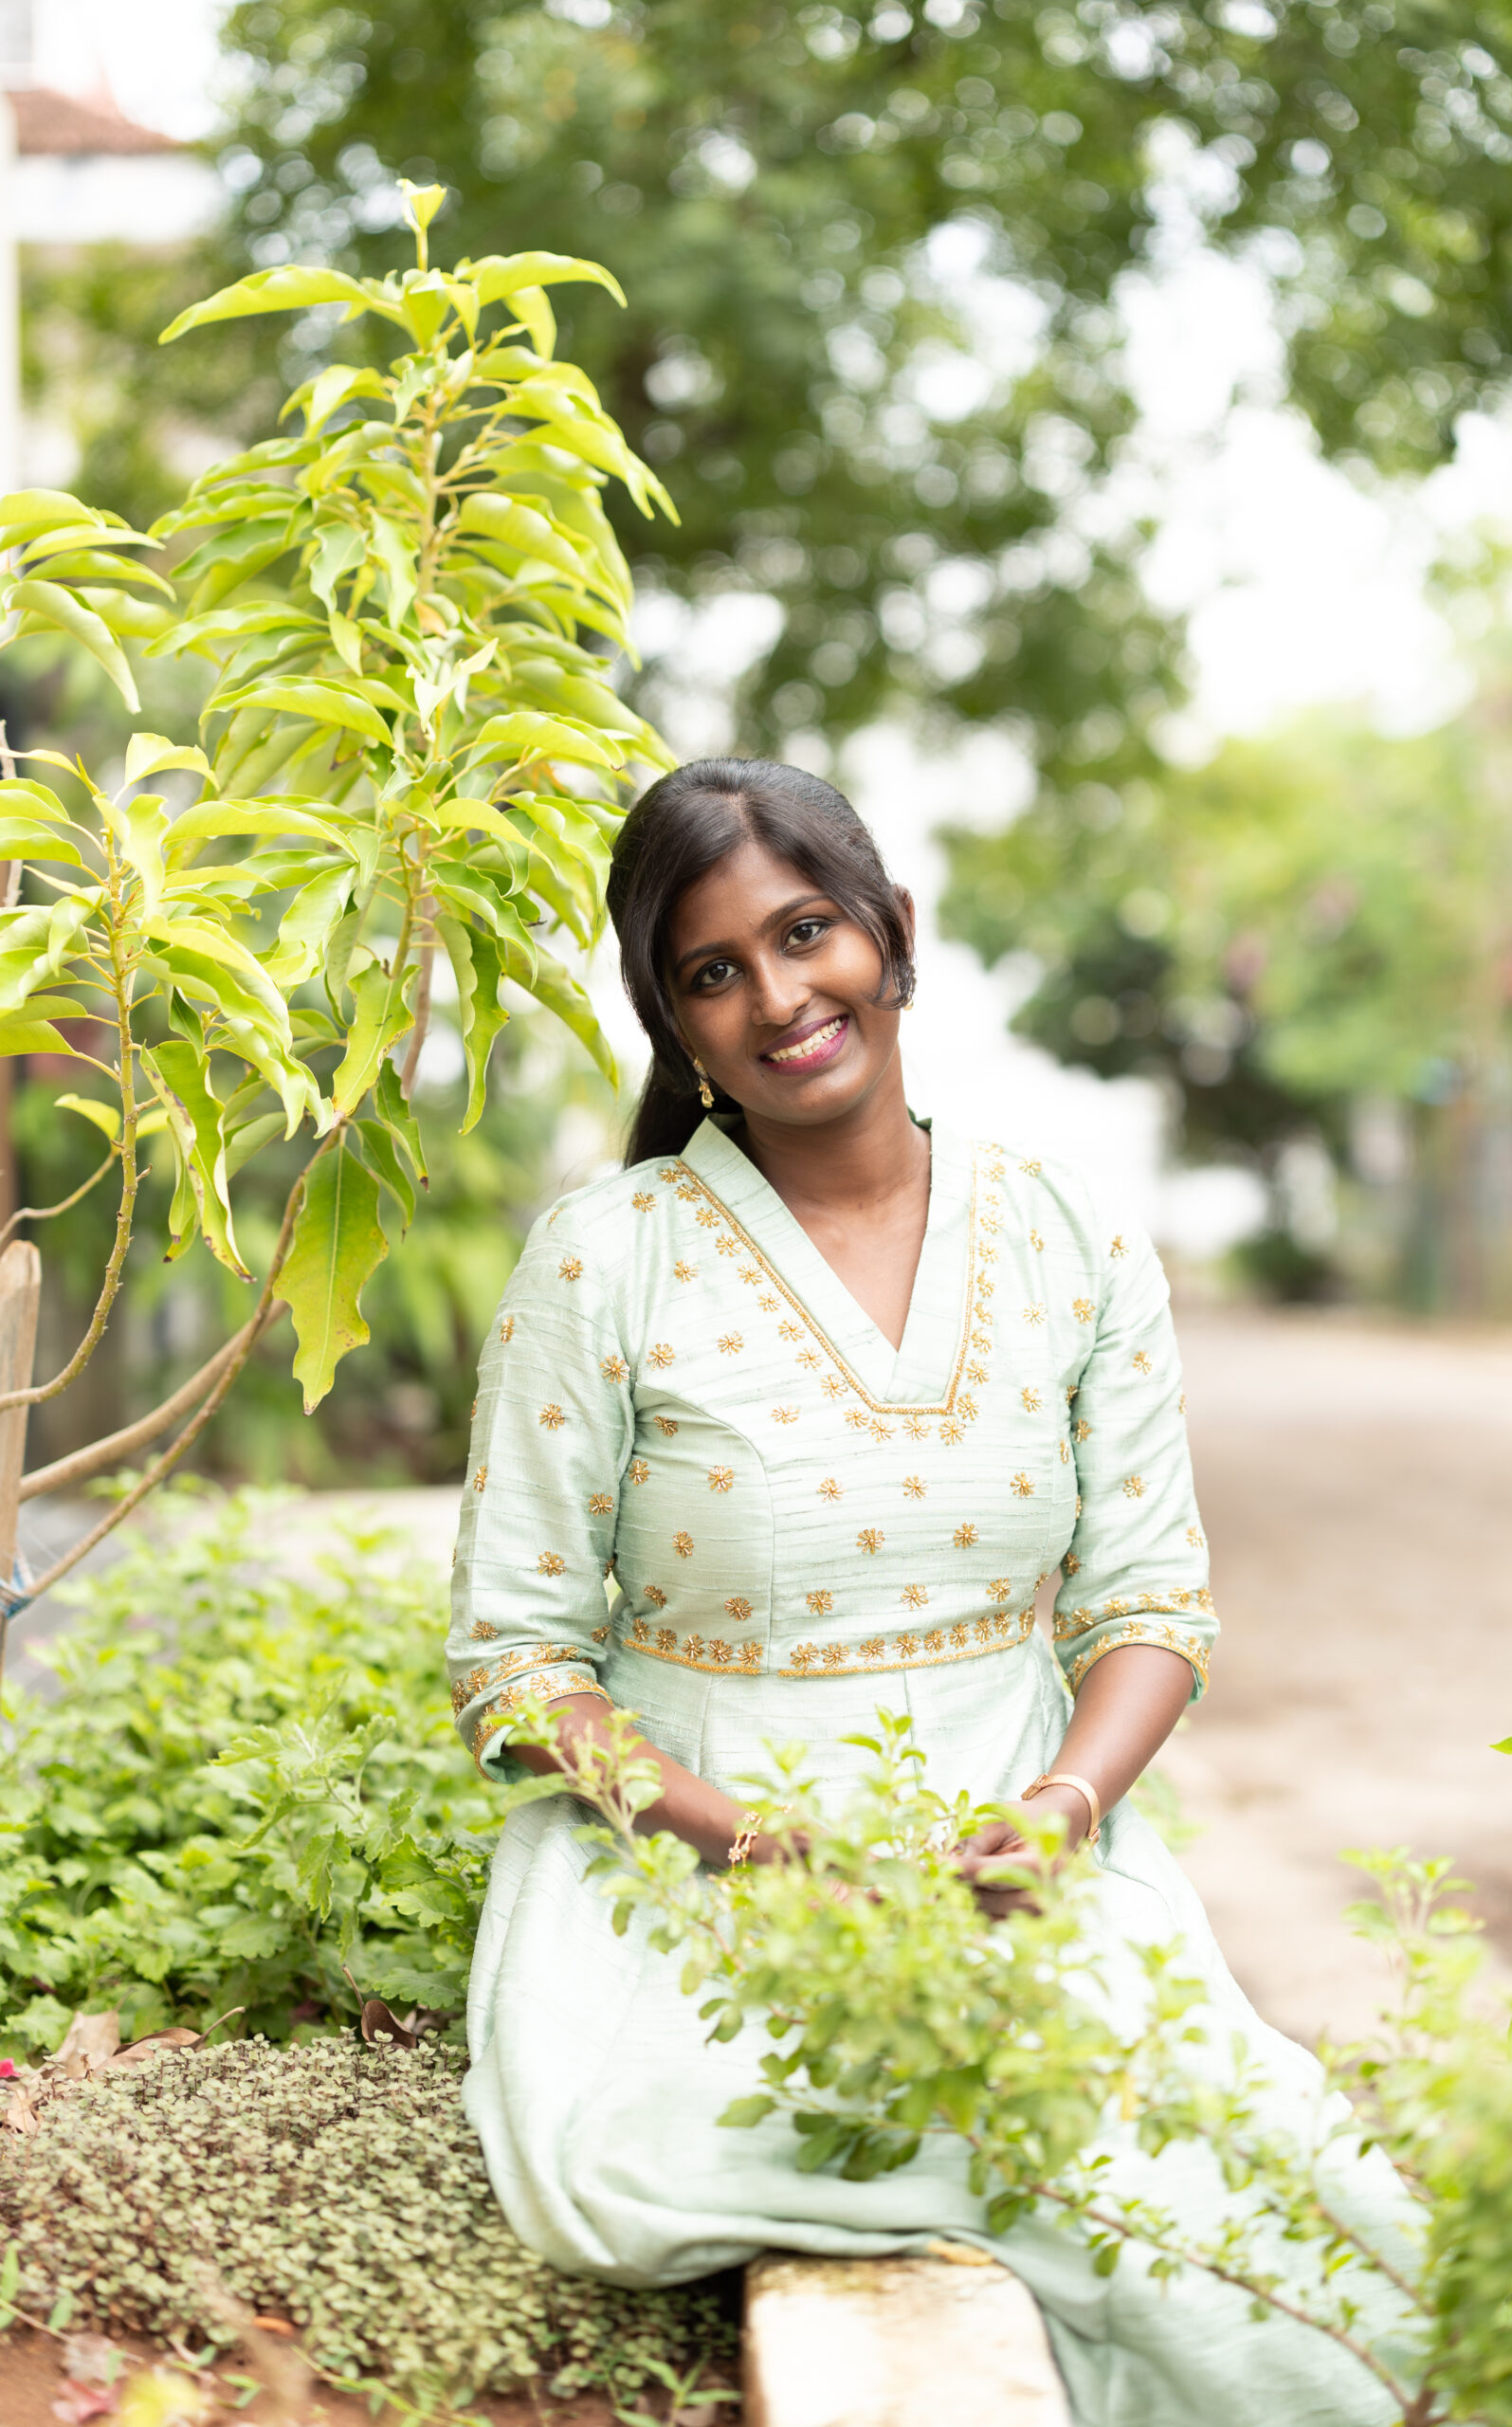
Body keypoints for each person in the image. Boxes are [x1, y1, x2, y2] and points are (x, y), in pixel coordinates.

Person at [449, 757, 1412, 2424]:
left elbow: (1150, 1607)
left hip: (1029, 1871)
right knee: (879, 2142)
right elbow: (518, 1673)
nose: (778, 997)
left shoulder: (1068, 1238)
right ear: (674, 1020)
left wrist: (1058, 1811)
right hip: (686, 1897)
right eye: (712, 971)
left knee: (1295, 2223)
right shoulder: (609, 1257)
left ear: (895, 933)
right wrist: (759, 1846)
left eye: (807, 931)